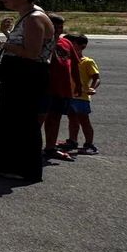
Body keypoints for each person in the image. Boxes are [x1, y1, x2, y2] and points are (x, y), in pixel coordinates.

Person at [0, 0, 55, 180]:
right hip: (19, 74)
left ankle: (24, 168)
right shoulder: (27, 15)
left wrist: (1, 44)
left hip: (28, 75)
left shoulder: (35, 18)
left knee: (23, 122)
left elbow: (32, 52)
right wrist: (5, 36)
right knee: (9, 119)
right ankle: (8, 164)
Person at [42, 14, 81, 163]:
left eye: (60, 27)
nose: (58, 29)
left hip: (63, 88)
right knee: (39, 118)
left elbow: (75, 65)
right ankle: (29, 148)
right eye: (54, 26)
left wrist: (78, 83)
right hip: (45, 88)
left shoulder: (66, 43)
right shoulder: (42, 42)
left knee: (55, 118)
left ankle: (50, 148)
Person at [62, 34, 100, 154]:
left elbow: (96, 78)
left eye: (70, 44)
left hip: (82, 97)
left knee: (84, 120)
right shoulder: (67, 61)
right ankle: (72, 140)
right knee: (72, 119)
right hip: (69, 95)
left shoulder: (87, 62)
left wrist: (92, 88)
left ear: (82, 46)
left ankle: (89, 143)